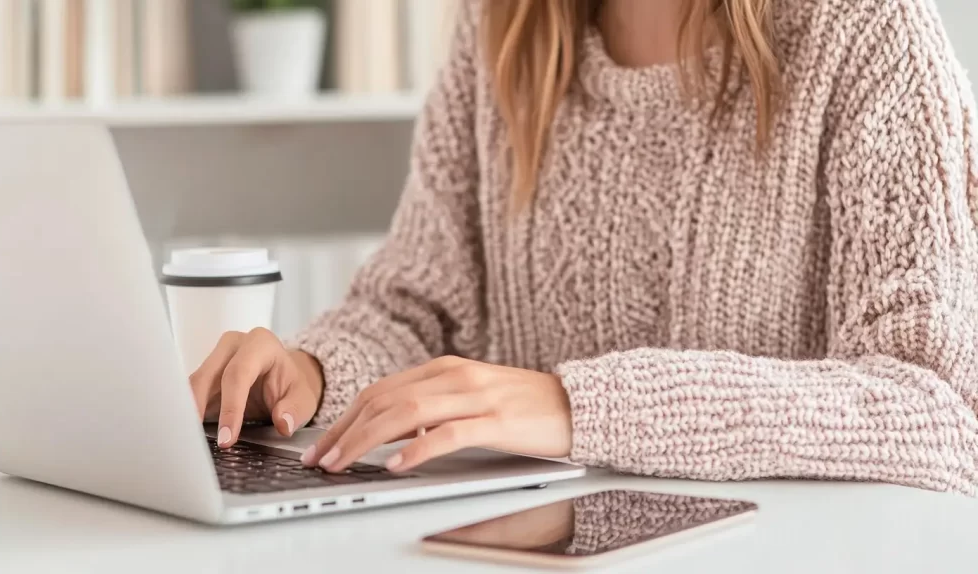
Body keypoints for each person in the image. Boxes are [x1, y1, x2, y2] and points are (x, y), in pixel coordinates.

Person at [189, 0, 978, 496]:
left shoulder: (870, 32)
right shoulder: (501, 29)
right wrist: (311, 373)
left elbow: (940, 408)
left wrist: (577, 406)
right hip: (537, 550)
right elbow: (414, 308)